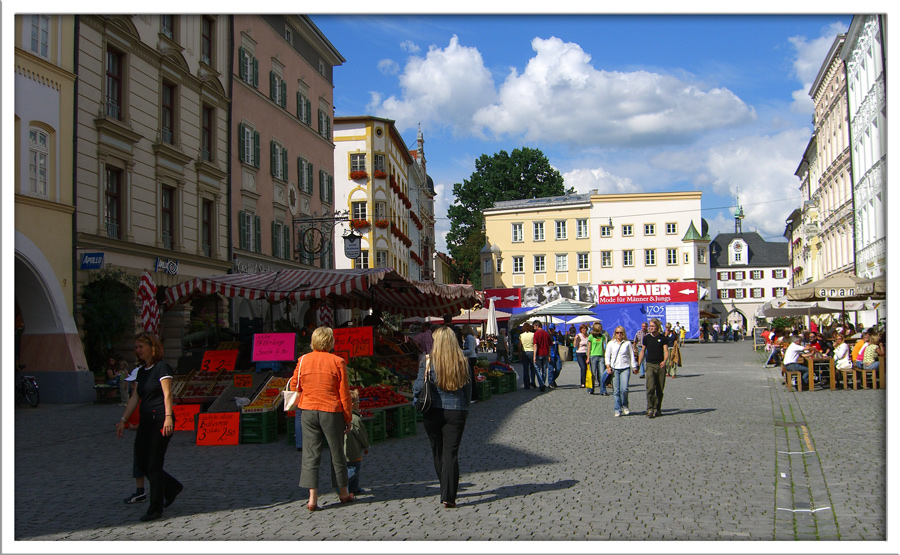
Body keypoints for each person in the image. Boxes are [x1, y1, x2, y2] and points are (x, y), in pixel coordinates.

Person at [115, 332, 183, 522]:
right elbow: (135, 397)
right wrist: (123, 419)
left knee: (153, 463)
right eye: (136, 347)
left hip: (160, 419)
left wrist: (169, 418)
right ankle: (172, 487)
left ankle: (155, 508)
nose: (138, 351)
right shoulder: (142, 371)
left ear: (152, 348)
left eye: (141, 347)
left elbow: (167, 395)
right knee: (142, 461)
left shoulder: (162, 368)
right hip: (146, 421)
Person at [288, 326, 354, 511]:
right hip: (330, 411)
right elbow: (344, 394)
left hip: (307, 411)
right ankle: (342, 491)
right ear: (331, 342)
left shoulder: (303, 360)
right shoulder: (337, 361)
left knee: (310, 453)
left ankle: (312, 498)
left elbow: (294, 385)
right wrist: (347, 417)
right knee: (337, 452)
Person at [413, 326, 472, 508]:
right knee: (451, 453)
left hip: (433, 410)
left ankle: (444, 487)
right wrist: (464, 408)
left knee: (437, 450)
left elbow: (417, 388)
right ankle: (449, 495)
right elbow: (468, 391)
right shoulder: (462, 361)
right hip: (456, 410)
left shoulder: (428, 361)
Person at [331, 389, 369, 496]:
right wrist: (366, 445)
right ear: (352, 404)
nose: (359, 404)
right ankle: (343, 485)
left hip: (343, 448)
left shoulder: (340, 416)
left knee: (350, 468)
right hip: (353, 449)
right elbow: (361, 434)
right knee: (354, 469)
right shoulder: (355, 419)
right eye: (358, 402)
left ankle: (354, 488)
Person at [638, 319, 669, 418]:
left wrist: (664, 361)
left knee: (659, 388)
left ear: (657, 327)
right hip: (650, 364)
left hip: (660, 365)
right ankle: (650, 408)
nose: (650, 328)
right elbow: (642, 351)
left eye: (653, 326)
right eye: (650, 326)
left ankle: (658, 408)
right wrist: (638, 364)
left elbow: (666, 351)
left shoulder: (662, 338)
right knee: (650, 387)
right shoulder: (647, 338)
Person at [606, 326, 636, 417]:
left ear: (623, 334)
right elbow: (607, 356)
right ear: (615, 333)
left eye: (621, 332)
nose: (619, 334)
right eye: (617, 332)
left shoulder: (627, 343)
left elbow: (631, 355)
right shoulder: (611, 343)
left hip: (625, 367)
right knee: (616, 390)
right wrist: (608, 366)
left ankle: (625, 405)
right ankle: (617, 408)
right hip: (615, 368)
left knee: (624, 389)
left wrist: (634, 367)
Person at [587, 322, 608, 395]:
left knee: (602, 374)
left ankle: (603, 390)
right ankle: (591, 389)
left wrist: (605, 355)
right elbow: (589, 348)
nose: (601, 329)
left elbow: (603, 346)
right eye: (599, 328)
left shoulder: (602, 337)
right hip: (593, 356)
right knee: (593, 373)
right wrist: (588, 357)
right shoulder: (591, 337)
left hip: (601, 356)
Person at [532, 321, 552, 391]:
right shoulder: (546, 333)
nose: (534, 328)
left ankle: (541, 384)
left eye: (534, 327)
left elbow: (535, 345)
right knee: (544, 370)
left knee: (537, 369)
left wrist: (534, 356)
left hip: (539, 354)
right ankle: (543, 383)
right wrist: (549, 355)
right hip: (546, 353)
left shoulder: (536, 334)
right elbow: (550, 345)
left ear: (537, 326)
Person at [461, 325, 478, 402]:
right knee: (471, 377)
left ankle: (473, 396)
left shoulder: (469, 338)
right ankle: (473, 396)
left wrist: (460, 352)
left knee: (470, 378)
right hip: (471, 357)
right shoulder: (470, 337)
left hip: (470, 358)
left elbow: (470, 350)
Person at [518, 323, 537, 389]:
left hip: (524, 352)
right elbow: (535, 344)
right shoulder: (533, 334)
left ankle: (526, 385)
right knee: (533, 368)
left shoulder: (521, 335)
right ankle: (533, 382)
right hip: (532, 352)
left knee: (525, 369)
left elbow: (519, 345)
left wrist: (519, 353)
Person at [573, 324, 590, 388]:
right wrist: (575, 339)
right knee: (583, 368)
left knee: (587, 368)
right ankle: (582, 382)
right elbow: (575, 345)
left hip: (586, 353)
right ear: (580, 330)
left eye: (585, 329)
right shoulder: (579, 336)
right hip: (580, 353)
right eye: (583, 329)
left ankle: (587, 381)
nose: (584, 330)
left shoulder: (588, 336)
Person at [547, 323, 562, 387]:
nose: (551, 331)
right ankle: (550, 383)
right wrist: (548, 355)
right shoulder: (547, 336)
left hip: (557, 355)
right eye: (550, 329)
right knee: (550, 370)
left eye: (552, 329)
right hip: (551, 355)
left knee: (558, 368)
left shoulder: (556, 336)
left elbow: (560, 342)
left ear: (554, 329)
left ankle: (552, 379)